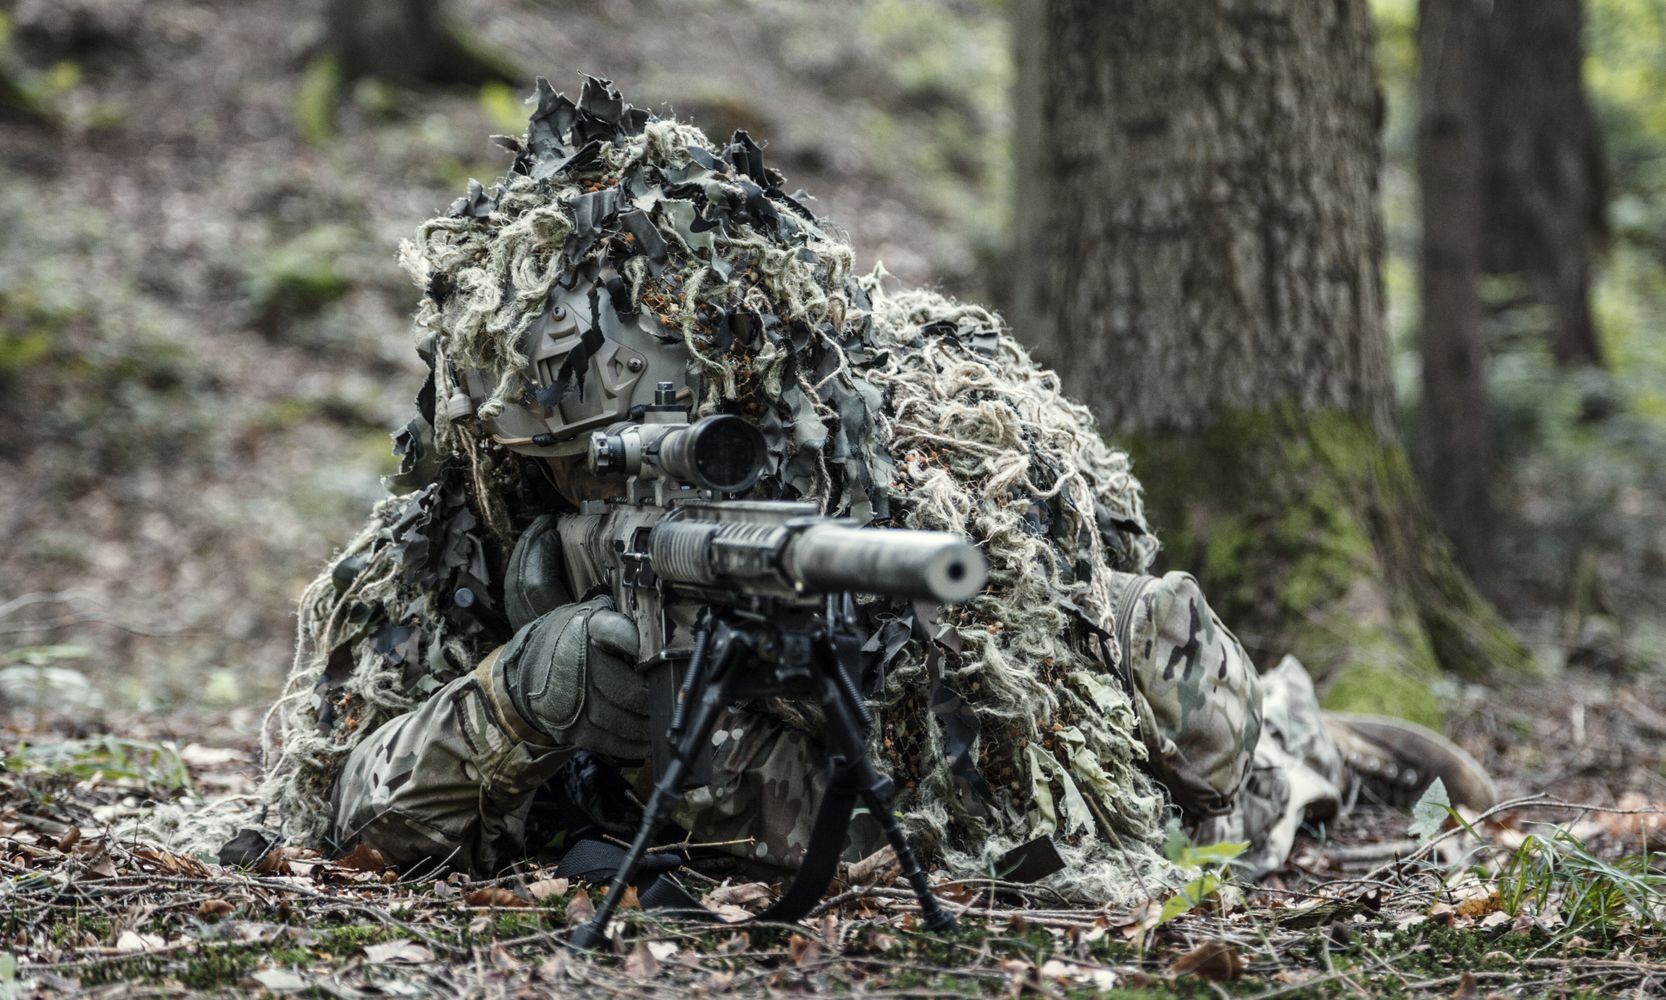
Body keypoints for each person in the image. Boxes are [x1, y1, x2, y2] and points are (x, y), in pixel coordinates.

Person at [257, 77, 1495, 898]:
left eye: (664, 435)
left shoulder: (860, 448)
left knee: (1185, 692)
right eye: (588, 460)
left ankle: (1306, 739)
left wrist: (855, 657)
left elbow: (1021, 740)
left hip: (895, 777)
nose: (624, 472)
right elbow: (338, 804)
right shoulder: (445, 549)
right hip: (724, 806)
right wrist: (531, 693)